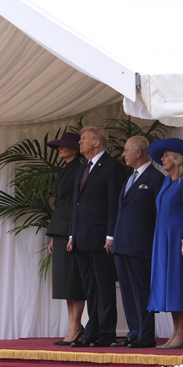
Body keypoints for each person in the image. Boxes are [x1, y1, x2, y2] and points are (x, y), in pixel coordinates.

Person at [67, 126, 125, 347]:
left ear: (97, 142)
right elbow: (76, 204)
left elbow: (114, 203)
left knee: (104, 286)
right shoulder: (84, 168)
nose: (79, 142)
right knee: (90, 288)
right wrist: (72, 234)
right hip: (81, 237)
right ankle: (92, 331)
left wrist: (111, 235)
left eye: (83, 139)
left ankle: (106, 332)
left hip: (101, 237)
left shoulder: (112, 167)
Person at [147, 138, 183, 349]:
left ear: (177, 159)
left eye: (166, 156)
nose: (162, 159)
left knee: (180, 283)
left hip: (179, 238)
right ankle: (176, 332)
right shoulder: (167, 181)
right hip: (163, 240)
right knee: (169, 286)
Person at [111, 136, 164, 348]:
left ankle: (146, 334)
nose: (123, 154)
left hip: (141, 245)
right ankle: (134, 332)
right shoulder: (130, 178)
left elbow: (159, 215)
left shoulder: (156, 178)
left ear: (138, 152)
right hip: (122, 244)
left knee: (141, 291)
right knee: (127, 292)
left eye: (126, 150)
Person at [45, 132, 85, 345]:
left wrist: (72, 233)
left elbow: (77, 204)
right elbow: (59, 204)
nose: (59, 149)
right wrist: (53, 234)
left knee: (73, 280)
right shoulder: (65, 170)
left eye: (63, 146)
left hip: (72, 228)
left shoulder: (80, 170)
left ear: (75, 149)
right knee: (64, 283)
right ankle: (72, 325)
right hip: (60, 228)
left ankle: (76, 326)